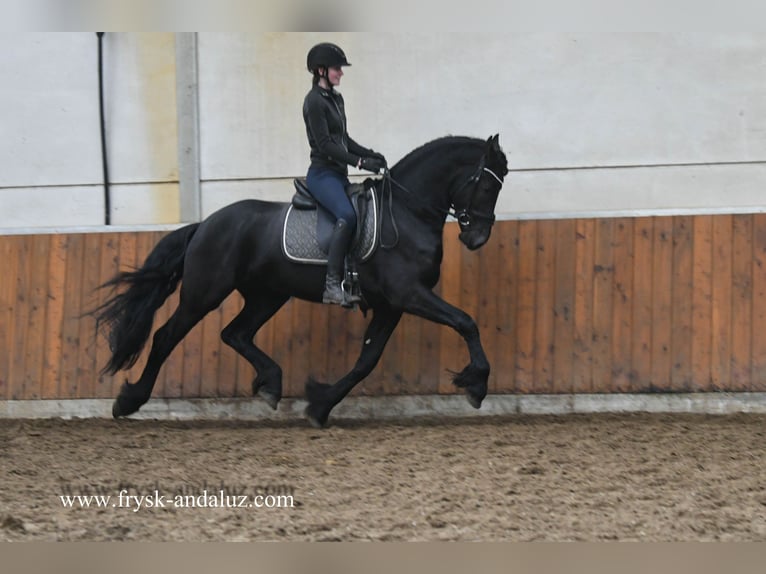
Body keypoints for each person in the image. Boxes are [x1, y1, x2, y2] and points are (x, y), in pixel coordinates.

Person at [303, 42, 387, 306]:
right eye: (337, 68)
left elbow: (344, 139)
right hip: (322, 175)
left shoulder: (336, 99)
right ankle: (331, 285)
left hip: (339, 175)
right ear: (321, 71)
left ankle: (353, 279)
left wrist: (371, 154)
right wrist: (361, 163)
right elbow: (327, 145)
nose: (341, 73)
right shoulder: (313, 101)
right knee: (347, 216)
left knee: (362, 214)